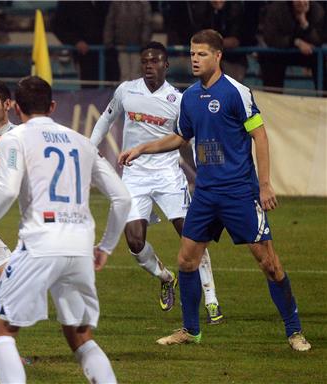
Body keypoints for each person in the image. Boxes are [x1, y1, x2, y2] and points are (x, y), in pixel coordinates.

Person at [119, 29, 311, 352]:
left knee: (269, 263)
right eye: (192, 54)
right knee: (186, 260)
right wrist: (143, 148)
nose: (195, 59)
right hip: (206, 193)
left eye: (202, 54)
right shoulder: (191, 97)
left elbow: (259, 136)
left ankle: (294, 330)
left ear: (218, 56)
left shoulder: (237, 92)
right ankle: (191, 330)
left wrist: (264, 185)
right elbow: (180, 137)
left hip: (239, 192)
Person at [0, 76, 131, 383]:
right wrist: (105, 247)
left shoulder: (15, 138)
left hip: (39, 243)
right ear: (52, 106)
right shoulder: (82, 142)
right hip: (80, 245)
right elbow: (122, 198)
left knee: (0, 331)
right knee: (80, 335)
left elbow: (8, 191)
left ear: (17, 108)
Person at [90, 41, 223, 324]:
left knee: (191, 236)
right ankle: (165, 277)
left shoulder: (178, 99)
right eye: (145, 62)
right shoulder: (127, 90)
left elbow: (191, 138)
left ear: (166, 65)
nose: (149, 66)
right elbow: (105, 119)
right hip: (135, 176)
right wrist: (89, 147)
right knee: (135, 242)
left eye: (155, 61)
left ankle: (211, 300)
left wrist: (203, 174)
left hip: (168, 176)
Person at [259, 1, 325, 92]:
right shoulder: (277, 9)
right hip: (282, 51)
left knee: (323, 59)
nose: (301, 2)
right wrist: (296, 42)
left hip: (310, 52)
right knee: (269, 59)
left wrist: (304, 23)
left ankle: (324, 100)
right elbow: (271, 38)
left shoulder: (317, 10)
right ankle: (273, 98)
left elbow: (319, 40)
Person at [103, 1, 153, 81]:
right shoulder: (116, 3)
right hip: (121, 45)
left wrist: (144, 43)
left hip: (138, 47)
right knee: (124, 75)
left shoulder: (143, 3)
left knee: (136, 74)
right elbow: (110, 22)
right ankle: (125, 93)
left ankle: (136, 93)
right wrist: (108, 42)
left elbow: (147, 23)